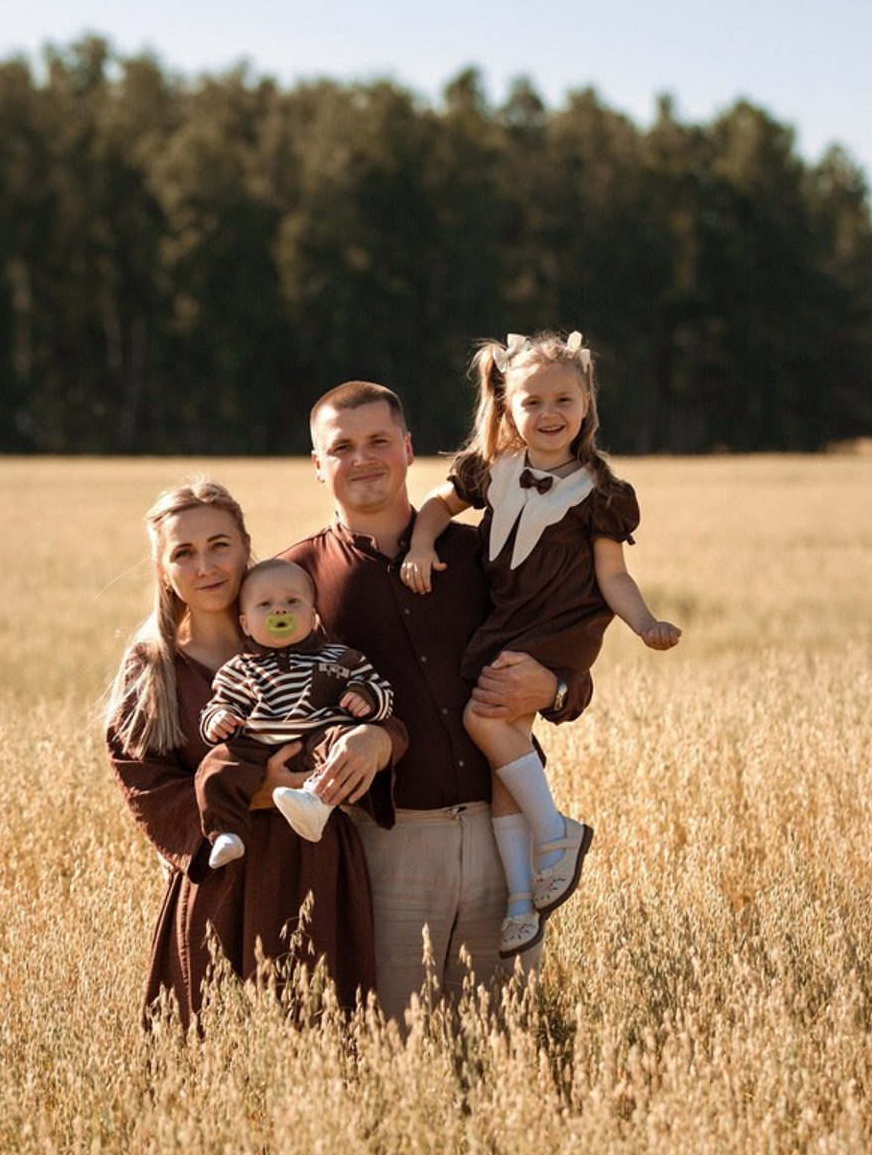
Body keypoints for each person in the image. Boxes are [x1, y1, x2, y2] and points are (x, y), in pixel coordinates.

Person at [280, 381, 592, 1023]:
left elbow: (567, 647)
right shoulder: (294, 581)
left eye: (378, 441)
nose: (362, 458)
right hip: (385, 845)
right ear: (316, 463)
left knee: (505, 1038)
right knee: (393, 1042)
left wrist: (555, 688)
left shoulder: (486, 552)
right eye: (341, 447)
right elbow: (273, 704)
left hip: (505, 839)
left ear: (408, 448)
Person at [401, 331, 681, 956]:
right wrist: (421, 544)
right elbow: (436, 506)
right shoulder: (492, 468)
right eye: (532, 402)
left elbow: (613, 576)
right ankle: (522, 903)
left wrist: (645, 624)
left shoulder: (601, 493)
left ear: (586, 404)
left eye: (563, 400)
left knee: (482, 717)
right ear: (508, 405)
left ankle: (556, 835)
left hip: (560, 628)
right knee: (505, 758)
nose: (549, 414)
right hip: (506, 622)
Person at [105, 479, 404, 1027]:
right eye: (183, 553)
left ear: (246, 546)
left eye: (219, 545)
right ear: (162, 569)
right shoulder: (154, 669)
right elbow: (145, 785)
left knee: (325, 1031)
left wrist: (378, 740)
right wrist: (257, 794)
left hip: (318, 865)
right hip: (222, 879)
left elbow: (379, 712)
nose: (205, 566)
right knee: (220, 1041)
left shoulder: (307, 635)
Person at [197, 558, 394, 867]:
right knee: (216, 765)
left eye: (292, 601)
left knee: (343, 742)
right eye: (265, 604)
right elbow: (220, 704)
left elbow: (382, 691)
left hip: (318, 739)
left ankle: (316, 801)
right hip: (259, 747)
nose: (280, 610)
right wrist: (219, 719)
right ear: (246, 624)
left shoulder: (341, 657)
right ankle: (226, 832)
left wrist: (364, 696)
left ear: (313, 616)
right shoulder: (238, 669)